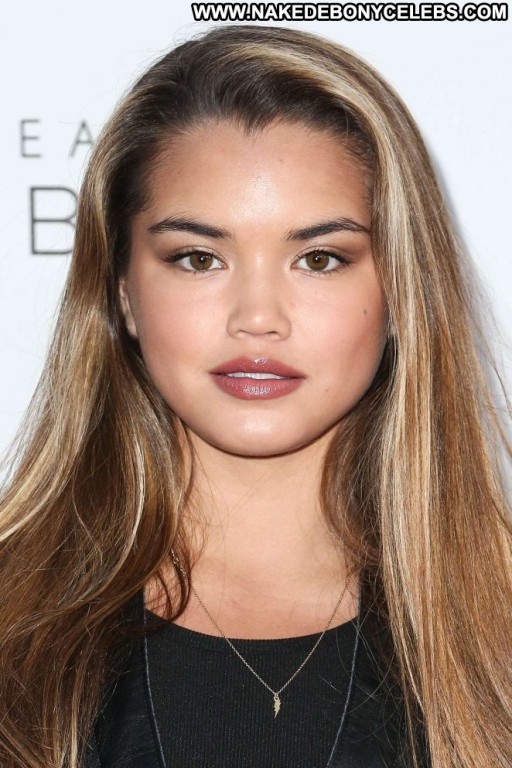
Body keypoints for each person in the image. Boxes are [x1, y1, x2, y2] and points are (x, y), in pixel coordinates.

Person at [0, 23, 511, 768]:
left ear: (402, 289)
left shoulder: (497, 627)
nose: (259, 317)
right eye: (198, 258)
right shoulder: (11, 619)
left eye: (320, 258)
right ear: (123, 292)